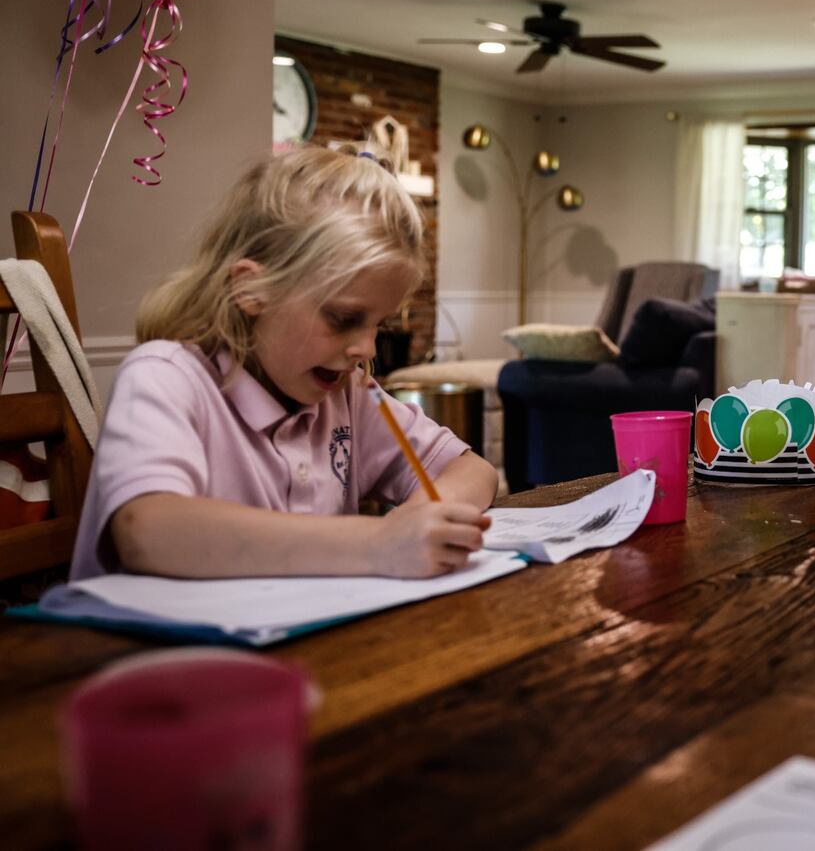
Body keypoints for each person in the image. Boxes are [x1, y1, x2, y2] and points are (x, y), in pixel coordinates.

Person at [70, 147, 499, 581]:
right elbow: (147, 531)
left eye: (378, 325)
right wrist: (377, 544)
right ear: (253, 289)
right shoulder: (164, 379)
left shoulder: (347, 396)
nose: (366, 350)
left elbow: (472, 470)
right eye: (344, 319)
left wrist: (423, 521)